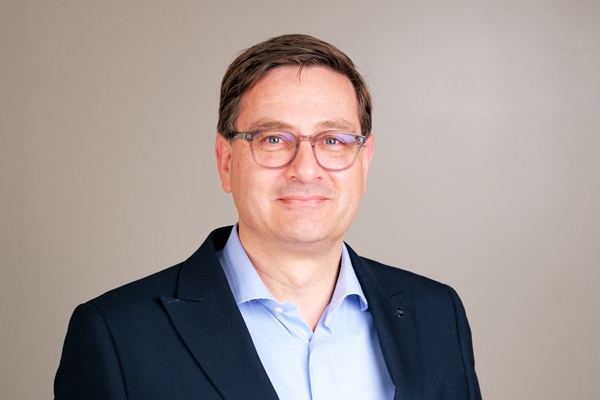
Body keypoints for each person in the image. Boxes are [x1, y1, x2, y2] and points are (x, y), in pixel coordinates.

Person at [54, 34, 481, 400]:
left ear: (364, 162)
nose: (306, 170)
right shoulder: (117, 335)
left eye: (333, 140)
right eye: (274, 139)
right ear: (225, 161)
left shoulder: (436, 315)